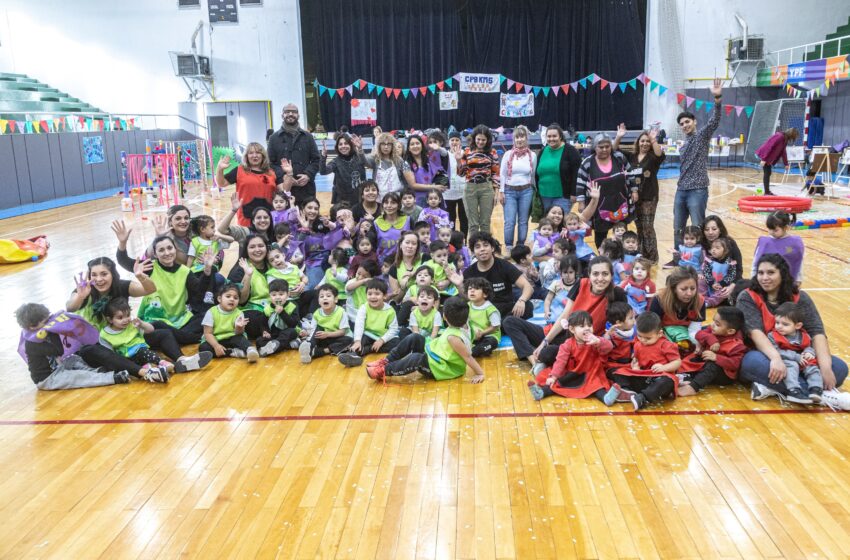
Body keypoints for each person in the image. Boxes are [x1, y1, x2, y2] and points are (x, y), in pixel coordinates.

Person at [737, 254, 848, 402]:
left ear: (782, 274)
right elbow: (755, 334)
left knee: (839, 368)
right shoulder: (747, 297)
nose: (764, 277)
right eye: (760, 273)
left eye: (770, 272)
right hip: (765, 355)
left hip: (799, 356)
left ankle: (772, 388)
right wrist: (776, 359)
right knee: (751, 363)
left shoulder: (800, 297)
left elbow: (817, 332)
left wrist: (826, 368)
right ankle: (823, 395)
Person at [505, 256, 628, 371]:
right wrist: (545, 341)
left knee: (548, 353)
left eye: (605, 274)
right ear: (589, 275)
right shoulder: (581, 284)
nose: (600, 278)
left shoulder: (617, 294)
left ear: (612, 275)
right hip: (561, 333)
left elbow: (622, 325)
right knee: (510, 322)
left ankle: (538, 354)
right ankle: (533, 360)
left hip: (581, 345)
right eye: (595, 274)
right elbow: (564, 315)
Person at [666, 77, 724, 268]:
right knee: (678, 228)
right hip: (681, 190)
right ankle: (678, 259)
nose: (685, 125)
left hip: (698, 189)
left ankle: (701, 261)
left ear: (694, 122)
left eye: (687, 121)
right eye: (681, 123)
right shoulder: (683, 145)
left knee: (698, 227)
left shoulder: (701, 136)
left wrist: (717, 99)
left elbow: (714, 121)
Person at [364, 296, 485, 384]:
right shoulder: (467, 324)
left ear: (444, 317)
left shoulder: (453, 337)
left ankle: (383, 371)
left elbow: (468, 357)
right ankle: (386, 361)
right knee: (414, 337)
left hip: (442, 368)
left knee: (416, 358)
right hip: (435, 354)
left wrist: (480, 373)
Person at [16, 303, 134, 390]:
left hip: (59, 366)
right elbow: (58, 350)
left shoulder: (44, 332)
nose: (49, 323)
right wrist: (53, 331)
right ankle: (113, 378)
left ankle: (98, 371)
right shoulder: (31, 344)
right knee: (77, 377)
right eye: (46, 322)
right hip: (47, 379)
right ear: (32, 327)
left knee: (74, 359)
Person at [528, 310, 614, 401]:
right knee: (557, 384)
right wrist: (553, 376)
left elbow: (609, 347)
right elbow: (560, 362)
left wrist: (599, 342)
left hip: (591, 373)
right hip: (572, 372)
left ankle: (606, 398)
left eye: (589, 325)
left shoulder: (595, 341)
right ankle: (541, 392)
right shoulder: (568, 344)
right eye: (582, 326)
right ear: (572, 329)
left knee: (597, 385)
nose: (587, 328)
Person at [605, 311, 681, 410]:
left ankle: (643, 398)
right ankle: (627, 391)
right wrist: (635, 367)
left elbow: (677, 362)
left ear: (660, 334)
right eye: (640, 336)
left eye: (648, 338)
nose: (643, 340)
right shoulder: (638, 344)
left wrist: (664, 368)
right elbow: (636, 361)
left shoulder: (666, 345)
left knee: (667, 382)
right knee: (615, 371)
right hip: (644, 377)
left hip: (660, 378)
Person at [575, 133, 638, 248]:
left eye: (607, 146)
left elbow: (630, 174)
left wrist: (634, 190)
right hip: (598, 206)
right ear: (595, 147)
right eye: (601, 147)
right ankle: (603, 258)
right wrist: (581, 202)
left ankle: (621, 257)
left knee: (621, 233)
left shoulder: (619, 157)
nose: (604, 149)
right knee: (600, 236)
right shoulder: (587, 162)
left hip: (620, 202)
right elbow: (580, 182)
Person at [461, 232, 533, 319]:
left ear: (492, 248)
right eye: (477, 247)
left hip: (505, 309)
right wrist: (458, 285)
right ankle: (502, 325)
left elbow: (528, 287)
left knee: (527, 306)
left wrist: (521, 300)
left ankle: (499, 325)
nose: (482, 249)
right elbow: (466, 298)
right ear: (473, 252)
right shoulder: (469, 272)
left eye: (485, 245)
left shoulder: (504, 265)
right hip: (481, 311)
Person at [677, 306, 747, 396]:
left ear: (730, 331)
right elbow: (699, 334)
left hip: (724, 375)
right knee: (689, 351)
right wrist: (711, 338)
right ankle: (683, 377)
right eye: (714, 321)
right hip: (705, 363)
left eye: (717, 324)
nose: (712, 324)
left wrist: (716, 357)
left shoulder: (737, 345)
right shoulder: (713, 330)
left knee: (712, 366)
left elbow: (735, 364)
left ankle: (693, 387)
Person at [99, 297, 173, 381]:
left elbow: (150, 330)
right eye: (120, 318)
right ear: (110, 319)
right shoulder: (104, 334)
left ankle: (161, 363)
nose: (126, 320)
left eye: (128, 315)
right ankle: (150, 370)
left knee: (144, 353)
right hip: (126, 359)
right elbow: (109, 353)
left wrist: (141, 324)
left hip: (140, 351)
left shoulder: (132, 324)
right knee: (134, 364)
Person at [215, 143, 286, 226]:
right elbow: (221, 183)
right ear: (246, 156)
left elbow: (284, 190)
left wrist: (289, 174)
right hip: (246, 218)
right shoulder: (239, 170)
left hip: (268, 217)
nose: (254, 155)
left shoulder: (272, 171)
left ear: (263, 155)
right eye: (251, 153)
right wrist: (219, 169)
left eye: (258, 152)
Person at [767, 302, 823, 404]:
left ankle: (816, 388)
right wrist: (796, 357)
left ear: (798, 325)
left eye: (785, 324)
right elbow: (776, 351)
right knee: (791, 366)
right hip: (787, 360)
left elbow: (809, 347)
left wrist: (809, 353)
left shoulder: (804, 335)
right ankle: (793, 390)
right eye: (777, 322)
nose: (779, 326)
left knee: (812, 366)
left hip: (802, 360)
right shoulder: (772, 336)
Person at [338, 278, 399, 367]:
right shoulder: (364, 308)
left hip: (382, 337)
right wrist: (358, 341)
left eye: (377, 294)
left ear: (385, 296)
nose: (373, 296)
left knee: (396, 342)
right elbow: (359, 325)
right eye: (369, 294)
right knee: (359, 339)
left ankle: (365, 350)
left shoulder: (390, 310)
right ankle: (353, 354)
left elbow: (393, 329)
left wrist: (381, 340)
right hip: (368, 334)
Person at [267, 104, 320, 204]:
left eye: (294, 112)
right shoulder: (273, 138)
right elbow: (270, 163)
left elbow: (316, 160)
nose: (290, 114)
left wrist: (308, 175)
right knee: (285, 218)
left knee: (307, 217)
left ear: (298, 115)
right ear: (282, 115)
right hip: (284, 189)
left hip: (306, 188)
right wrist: (286, 177)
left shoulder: (308, 137)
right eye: (287, 112)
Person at [453, 125, 500, 237]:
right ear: (474, 138)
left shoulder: (492, 152)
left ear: (488, 140)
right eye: (478, 139)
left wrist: (497, 192)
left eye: (483, 139)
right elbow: (461, 173)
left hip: (487, 188)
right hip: (470, 188)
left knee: (485, 223)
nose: (480, 142)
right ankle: (474, 250)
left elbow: (496, 173)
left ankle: (486, 249)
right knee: (473, 224)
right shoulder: (467, 151)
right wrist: (458, 161)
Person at [649, 266, 706, 352]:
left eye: (693, 288)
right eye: (683, 289)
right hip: (662, 333)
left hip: (685, 334)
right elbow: (654, 329)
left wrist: (695, 344)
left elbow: (694, 330)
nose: (689, 293)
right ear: (674, 288)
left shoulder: (700, 301)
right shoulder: (659, 299)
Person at [499, 125, 536, 253]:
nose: (519, 140)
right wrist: (501, 192)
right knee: (509, 221)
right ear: (514, 139)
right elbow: (502, 174)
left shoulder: (532, 155)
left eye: (522, 137)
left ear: (526, 138)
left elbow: (533, 175)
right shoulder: (508, 154)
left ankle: (520, 246)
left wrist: (535, 193)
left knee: (523, 221)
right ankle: (508, 247)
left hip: (526, 191)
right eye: (517, 137)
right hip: (509, 191)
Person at [200, 283, 260, 362]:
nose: (232, 299)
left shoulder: (239, 313)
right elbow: (208, 333)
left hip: (232, 337)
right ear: (219, 299)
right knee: (204, 348)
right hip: (216, 339)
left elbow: (239, 333)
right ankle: (232, 352)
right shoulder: (211, 312)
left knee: (241, 339)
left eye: (236, 298)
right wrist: (216, 346)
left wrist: (239, 327)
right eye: (228, 296)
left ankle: (250, 350)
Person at [299, 284, 354, 364]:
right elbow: (313, 330)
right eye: (321, 296)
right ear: (318, 301)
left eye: (328, 296)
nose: (325, 298)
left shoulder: (341, 312)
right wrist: (306, 333)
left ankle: (318, 351)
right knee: (318, 328)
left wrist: (328, 334)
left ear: (335, 299)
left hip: (338, 337)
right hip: (323, 337)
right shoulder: (317, 313)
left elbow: (342, 332)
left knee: (349, 340)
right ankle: (309, 347)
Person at [535, 124, 581, 214]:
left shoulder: (571, 151)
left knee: (559, 222)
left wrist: (574, 193)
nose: (551, 139)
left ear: (560, 137)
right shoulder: (543, 151)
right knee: (548, 224)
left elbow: (577, 173)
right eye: (549, 136)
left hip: (563, 196)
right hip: (544, 195)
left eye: (554, 136)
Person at [752, 211, 805, 283]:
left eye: (775, 230)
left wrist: (798, 280)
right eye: (769, 229)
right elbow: (755, 263)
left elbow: (798, 262)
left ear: (786, 227)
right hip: (767, 283)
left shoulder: (793, 244)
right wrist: (753, 279)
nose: (771, 232)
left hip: (787, 284)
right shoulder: (765, 243)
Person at [319, 133, 367, 205]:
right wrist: (323, 156)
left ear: (351, 145)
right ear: (337, 147)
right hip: (342, 202)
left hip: (359, 199)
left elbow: (366, 163)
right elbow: (323, 171)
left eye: (346, 143)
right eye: (340, 144)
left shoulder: (359, 158)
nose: (343, 146)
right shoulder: (336, 161)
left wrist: (360, 148)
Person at [257, 279, 301, 357]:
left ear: (287, 295)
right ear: (269, 296)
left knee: (290, 332)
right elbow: (263, 324)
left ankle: (272, 347)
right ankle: (288, 345)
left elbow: (293, 324)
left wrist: (282, 313)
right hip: (274, 335)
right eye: (274, 295)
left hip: (289, 331)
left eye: (281, 294)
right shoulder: (267, 309)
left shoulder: (292, 306)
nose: (277, 297)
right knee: (259, 341)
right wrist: (265, 331)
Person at [404, 134, 449, 204]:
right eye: (412, 144)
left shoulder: (429, 159)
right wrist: (433, 187)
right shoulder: (406, 164)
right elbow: (413, 185)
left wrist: (438, 148)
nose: (415, 146)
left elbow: (444, 155)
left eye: (417, 143)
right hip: (418, 201)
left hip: (434, 198)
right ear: (409, 148)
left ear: (422, 145)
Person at [364, 132, 411, 200]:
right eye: (383, 144)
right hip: (379, 199)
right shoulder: (375, 159)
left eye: (389, 144)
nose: (386, 147)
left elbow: (405, 181)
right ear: (379, 146)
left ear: (392, 146)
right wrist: (359, 150)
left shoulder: (399, 160)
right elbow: (364, 161)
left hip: (397, 199)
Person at [463, 277, 502, 358]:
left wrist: (482, 333)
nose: (472, 291)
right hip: (473, 334)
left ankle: (474, 351)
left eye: (476, 288)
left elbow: (495, 326)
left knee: (491, 343)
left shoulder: (490, 309)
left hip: (488, 335)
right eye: (470, 288)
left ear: (485, 294)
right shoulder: (467, 305)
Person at [755, 128, 798, 195]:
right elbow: (769, 146)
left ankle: (767, 191)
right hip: (765, 155)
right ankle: (766, 192)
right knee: (767, 173)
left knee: (768, 173)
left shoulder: (784, 140)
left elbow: (783, 152)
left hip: (768, 158)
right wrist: (764, 159)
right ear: (790, 135)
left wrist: (786, 163)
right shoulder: (779, 136)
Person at [701, 215, 744, 281]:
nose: (710, 232)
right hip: (705, 280)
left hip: (726, 281)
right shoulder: (700, 243)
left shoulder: (730, 243)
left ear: (720, 230)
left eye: (714, 229)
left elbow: (738, 268)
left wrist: (733, 285)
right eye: (706, 229)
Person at [374, 193, 411, 265]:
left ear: (399, 205)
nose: (389, 206)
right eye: (386, 202)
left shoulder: (408, 220)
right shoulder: (376, 223)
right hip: (383, 264)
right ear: (382, 205)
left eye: (393, 203)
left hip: (404, 262)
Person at [701, 237, 737, 307]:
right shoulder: (709, 260)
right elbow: (706, 272)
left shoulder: (730, 262)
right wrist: (712, 283)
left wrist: (722, 283)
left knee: (724, 292)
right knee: (700, 281)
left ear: (725, 251)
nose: (713, 250)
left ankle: (709, 303)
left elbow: (731, 275)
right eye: (712, 248)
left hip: (722, 286)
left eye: (717, 248)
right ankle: (701, 298)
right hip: (710, 284)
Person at [444, 131, 468, 234]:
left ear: (460, 142)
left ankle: (465, 241)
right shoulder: (444, 155)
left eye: (457, 140)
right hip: (448, 192)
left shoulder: (466, 154)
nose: (454, 142)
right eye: (452, 140)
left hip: (463, 192)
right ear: (448, 142)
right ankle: (451, 242)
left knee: (464, 218)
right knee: (450, 219)